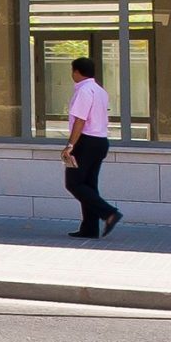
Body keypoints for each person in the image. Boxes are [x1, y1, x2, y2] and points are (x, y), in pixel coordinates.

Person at [62, 56, 122, 239]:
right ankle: (89, 228)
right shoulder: (100, 91)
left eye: (73, 71)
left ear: (76, 72)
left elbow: (80, 119)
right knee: (89, 184)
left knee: (73, 183)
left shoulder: (84, 91)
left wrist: (70, 145)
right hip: (100, 141)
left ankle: (109, 213)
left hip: (86, 141)